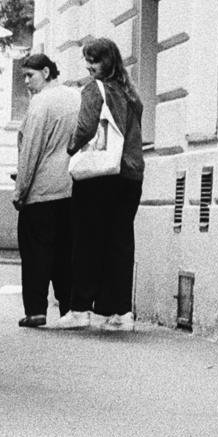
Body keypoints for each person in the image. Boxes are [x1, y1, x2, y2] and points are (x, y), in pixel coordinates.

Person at [65, 36, 146, 330]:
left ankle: (80, 309)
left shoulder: (93, 90)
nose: (89, 66)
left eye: (94, 60)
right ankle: (120, 313)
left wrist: (71, 147)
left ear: (107, 62)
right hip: (131, 175)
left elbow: (86, 127)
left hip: (99, 175)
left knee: (86, 241)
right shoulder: (131, 94)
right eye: (88, 60)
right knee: (120, 243)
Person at [12, 52, 79, 329]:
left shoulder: (40, 104)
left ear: (47, 72)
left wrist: (20, 190)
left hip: (42, 190)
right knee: (66, 252)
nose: (26, 82)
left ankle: (36, 310)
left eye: (30, 75)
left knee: (35, 253)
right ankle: (68, 308)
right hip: (72, 187)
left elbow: (31, 150)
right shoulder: (76, 97)